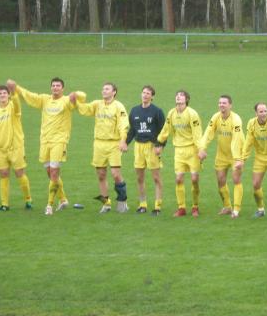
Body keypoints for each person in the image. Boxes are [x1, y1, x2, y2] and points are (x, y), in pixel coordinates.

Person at [9, 77, 86, 216]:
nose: (55, 88)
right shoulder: (45, 100)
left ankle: (49, 205)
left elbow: (83, 97)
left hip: (59, 141)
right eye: (53, 85)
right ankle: (63, 199)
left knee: (55, 172)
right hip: (45, 140)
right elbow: (30, 96)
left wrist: (76, 95)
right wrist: (16, 88)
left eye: (58, 86)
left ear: (63, 88)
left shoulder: (67, 101)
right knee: (50, 173)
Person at [72, 82, 130, 214]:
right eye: (103, 89)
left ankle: (122, 201)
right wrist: (75, 101)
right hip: (99, 143)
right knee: (101, 175)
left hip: (113, 143)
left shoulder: (118, 106)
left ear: (114, 92)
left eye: (107, 89)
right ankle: (106, 204)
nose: (104, 91)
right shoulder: (97, 104)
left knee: (115, 174)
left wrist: (123, 140)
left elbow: (123, 124)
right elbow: (85, 109)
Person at [0, 84, 32, 211]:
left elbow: (17, 103)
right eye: (0, 93)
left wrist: (14, 92)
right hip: (1, 148)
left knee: (20, 173)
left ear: (8, 95)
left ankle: (28, 199)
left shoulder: (13, 106)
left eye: (4, 93)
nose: (2, 95)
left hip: (16, 147)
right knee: (3, 174)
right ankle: (4, 204)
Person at [156, 90, 204, 217]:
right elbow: (166, 130)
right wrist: (159, 143)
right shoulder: (171, 113)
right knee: (178, 179)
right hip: (179, 151)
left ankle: (195, 206)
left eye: (181, 95)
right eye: (177, 95)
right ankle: (181, 208)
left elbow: (197, 133)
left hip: (192, 150)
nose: (178, 96)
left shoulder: (192, 114)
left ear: (186, 99)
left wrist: (200, 149)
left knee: (194, 179)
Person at [199, 95, 245, 218]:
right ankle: (227, 206)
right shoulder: (216, 117)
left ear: (230, 105)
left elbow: (236, 139)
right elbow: (208, 133)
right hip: (222, 154)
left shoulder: (236, 120)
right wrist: (202, 148)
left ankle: (236, 210)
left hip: (236, 154)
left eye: (224, 103)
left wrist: (238, 159)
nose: (221, 105)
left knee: (236, 179)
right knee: (220, 180)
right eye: (220, 103)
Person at [126, 85, 166, 215]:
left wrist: (160, 145)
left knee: (156, 177)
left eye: (148, 93)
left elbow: (164, 131)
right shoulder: (134, 111)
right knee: (139, 177)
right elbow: (132, 130)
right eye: (143, 92)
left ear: (152, 97)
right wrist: (125, 143)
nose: (145, 95)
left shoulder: (157, 111)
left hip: (152, 146)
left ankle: (157, 206)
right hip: (138, 146)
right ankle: (142, 204)